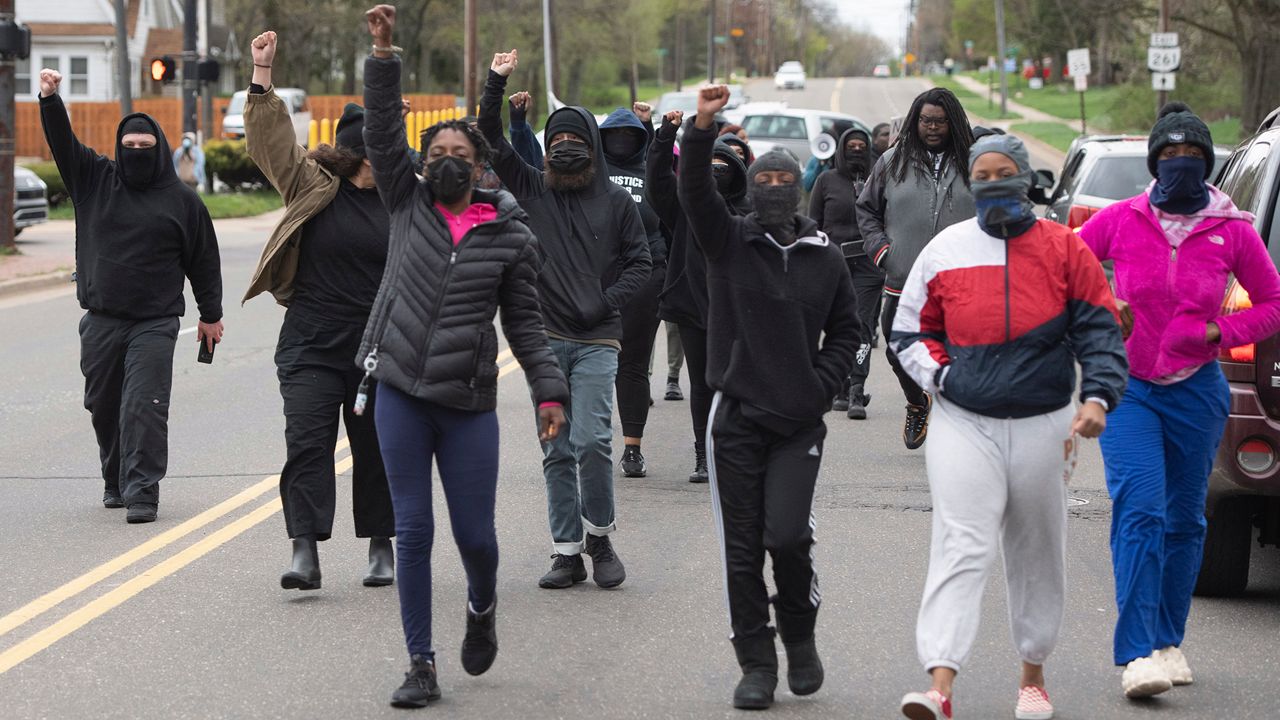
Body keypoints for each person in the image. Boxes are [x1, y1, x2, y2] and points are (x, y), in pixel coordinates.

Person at [360, 6, 570, 707]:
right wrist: (384, 55)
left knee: (476, 537)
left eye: (460, 156)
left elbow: (528, 326)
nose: (446, 162)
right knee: (413, 530)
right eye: (437, 155)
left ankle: (482, 606)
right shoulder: (405, 203)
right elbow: (383, 131)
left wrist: (549, 392)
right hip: (399, 394)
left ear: (481, 168)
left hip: (468, 402)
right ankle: (420, 663)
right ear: (423, 166)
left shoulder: (509, 235)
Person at [891, 133, 1128, 720]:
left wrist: (1097, 398)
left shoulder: (1065, 251)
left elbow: (1100, 331)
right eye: (983, 174)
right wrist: (946, 380)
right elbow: (907, 334)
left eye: (1005, 173)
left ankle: (1033, 677)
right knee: (961, 543)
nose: (994, 183)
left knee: (1036, 548)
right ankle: (939, 685)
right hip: (962, 421)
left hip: (1043, 422)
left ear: (1026, 180)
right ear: (971, 182)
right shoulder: (945, 249)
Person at [1078, 102, 1280, 700]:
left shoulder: (1233, 229)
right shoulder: (1120, 220)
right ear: (1154, 163)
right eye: (1169, 155)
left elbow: (1271, 304)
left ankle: (1168, 640)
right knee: (1140, 510)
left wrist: (1219, 332)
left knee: (1186, 520)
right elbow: (1067, 268)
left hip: (1197, 391)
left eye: (1192, 155)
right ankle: (1138, 652)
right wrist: (1102, 310)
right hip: (1130, 387)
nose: (1181, 164)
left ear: (1208, 163)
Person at [682, 85, 860, 710]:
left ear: (799, 186)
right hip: (735, 421)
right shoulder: (727, 242)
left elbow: (846, 331)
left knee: (785, 538)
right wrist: (700, 129)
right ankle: (756, 663)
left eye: (786, 178)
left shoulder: (826, 259)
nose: (776, 187)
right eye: (766, 178)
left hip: (797, 425)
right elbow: (694, 192)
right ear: (753, 188)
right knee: (740, 551)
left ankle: (800, 634)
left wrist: (821, 383)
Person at [478, 48, 651, 590]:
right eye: (557, 143)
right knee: (555, 447)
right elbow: (490, 135)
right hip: (544, 342)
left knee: (594, 441)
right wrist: (496, 82)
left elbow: (642, 263)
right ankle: (567, 552)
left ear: (593, 148)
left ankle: (600, 538)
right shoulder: (531, 187)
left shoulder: (618, 205)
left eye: (577, 142)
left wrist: (607, 301)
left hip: (599, 339)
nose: (566, 149)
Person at [241, 31, 397, 591]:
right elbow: (272, 143)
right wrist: (262, 76)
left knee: (376, 448)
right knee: (306, 443)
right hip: (310, 342)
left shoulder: (403, 199)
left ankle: (382, 546)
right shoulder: (314, 184)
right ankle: (304, 548)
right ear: (357, 149)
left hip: (378, 349)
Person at [39, 68, 223, 524]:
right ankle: (115, 478)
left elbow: (203, 259)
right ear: (119, 148)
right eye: (129, 146)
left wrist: (210, 314)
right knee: (104, 405)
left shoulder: (182, 201)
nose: (136, 152)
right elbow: (62, 143)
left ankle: (143, 491)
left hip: (155, 322)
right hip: (101, 318)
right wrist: (49, 99)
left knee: (143, 405)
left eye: (145, 147)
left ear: (159, 149)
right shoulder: (94, 180)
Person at [858, 87, 975, 450]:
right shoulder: (892, 161)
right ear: (915, 121)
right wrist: (883, 253)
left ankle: (963, 422)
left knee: (963, 353)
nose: (933, 128)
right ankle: (917, 402)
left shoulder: (974, 162)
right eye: (926, 120)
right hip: (902, 278)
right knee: (897, 351)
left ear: (953, 123)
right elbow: (867, 210)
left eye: (940, 121)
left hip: (962, 282)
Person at [650, 109, 750, 484]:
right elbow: (658, 182)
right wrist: (665, 135)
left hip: (737, 313)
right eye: (708, 165)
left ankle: (735, 450)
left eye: (722, 166)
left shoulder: (748, 214)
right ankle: (703, 454)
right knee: (702, 384)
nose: (715, 171)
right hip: (692, 309)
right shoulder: (683, 210)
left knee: (735, 383)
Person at [599, 102, 667, 478]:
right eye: (615, 135)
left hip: (646, 277)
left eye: (631, 135)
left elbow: (669, 218)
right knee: (591, 363)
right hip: (599, 279)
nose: (622, 141)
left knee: (633, 364)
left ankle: (632, 449)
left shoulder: (650, 175)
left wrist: (653, 126)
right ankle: (587, 442)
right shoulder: (593, 173)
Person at [809, 126, 883, 420]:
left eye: (860, 146)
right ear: (841, 149)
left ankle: (856, 390)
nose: (856, 150)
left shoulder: (877, 180)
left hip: (868, 265)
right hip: (833, 264)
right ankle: (838, 386)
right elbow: (813, 222)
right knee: (837, 326)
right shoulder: (826, 180)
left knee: (862, 325)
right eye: (850, 145)